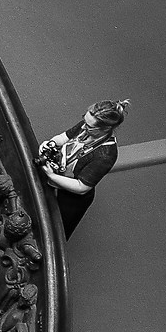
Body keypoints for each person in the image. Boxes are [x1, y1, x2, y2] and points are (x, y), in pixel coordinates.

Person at [36, 99, 128, 236]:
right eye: (84, 121)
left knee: (54, 232)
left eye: (89, 127)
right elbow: (65, 136)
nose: (84, 127)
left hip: (70, 200)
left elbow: (82, 187)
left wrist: (53, 176)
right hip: (55, 177)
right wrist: (51, 143)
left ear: (106, 129)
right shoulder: (88, 125)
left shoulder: (106, 154)